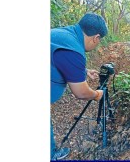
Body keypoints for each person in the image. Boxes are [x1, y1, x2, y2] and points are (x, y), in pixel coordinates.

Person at [50, 13, 108, 161]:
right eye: (99, 41)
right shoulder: (74, 51)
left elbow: (61, 61)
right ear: (96, 38)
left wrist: (85, 71)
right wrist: (97, 95)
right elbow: (81, 92)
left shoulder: (62, 34)